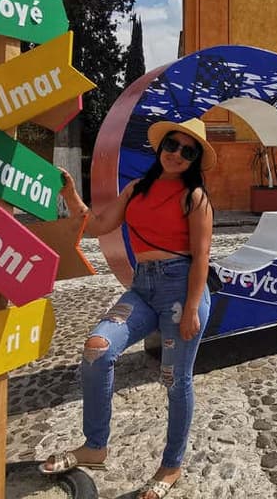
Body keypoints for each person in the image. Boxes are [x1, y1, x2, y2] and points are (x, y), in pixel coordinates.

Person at [41, 117, 217, 499]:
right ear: (161, 147)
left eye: (188, 151)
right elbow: (98, 225)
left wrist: (191, 308)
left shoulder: (195, 198)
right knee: (97, 349)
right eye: (172, 145)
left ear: (195, 160)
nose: (176, 154)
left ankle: (171, 465)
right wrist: (70, 195)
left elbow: (202, 256)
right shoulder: (137, 189)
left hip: (181, 290)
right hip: (143, 287)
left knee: (175, 380)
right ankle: (95, 445)